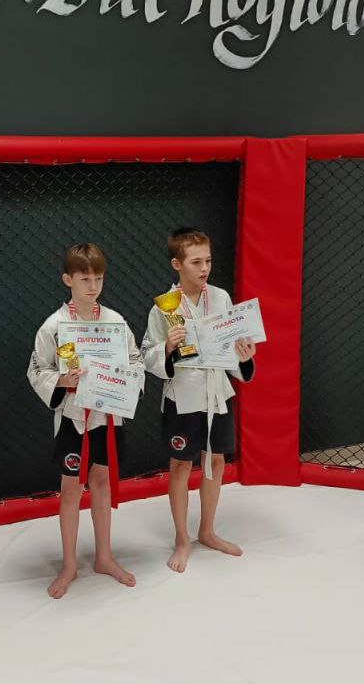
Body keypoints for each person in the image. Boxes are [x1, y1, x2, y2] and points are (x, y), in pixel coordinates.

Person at [28, 243, 143, 599]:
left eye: (99, 279)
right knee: (70, 490)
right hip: (73, 418)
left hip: (107, 416)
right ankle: (69, 564)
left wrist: (125, 381)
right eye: (85, 279)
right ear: (68, 280)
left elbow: (136, 361)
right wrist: (61, 380)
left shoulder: (115, 322)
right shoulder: (54, 326)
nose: (93, 286)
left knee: (102, 482)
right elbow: (37, 369)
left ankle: (104, 557)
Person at [142, 228, 255, 572]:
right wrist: (167, 347)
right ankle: (182, 538)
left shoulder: (220, 298)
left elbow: (231, 345)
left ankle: (207, 530)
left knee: (216, 462)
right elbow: (146, 354)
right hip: (183, 396)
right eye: (195, 262)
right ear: (177, 264)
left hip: (217, 393)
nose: (204, 268)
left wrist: (244, 355)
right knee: (180, 466)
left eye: (208, 260)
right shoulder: (164, 306)